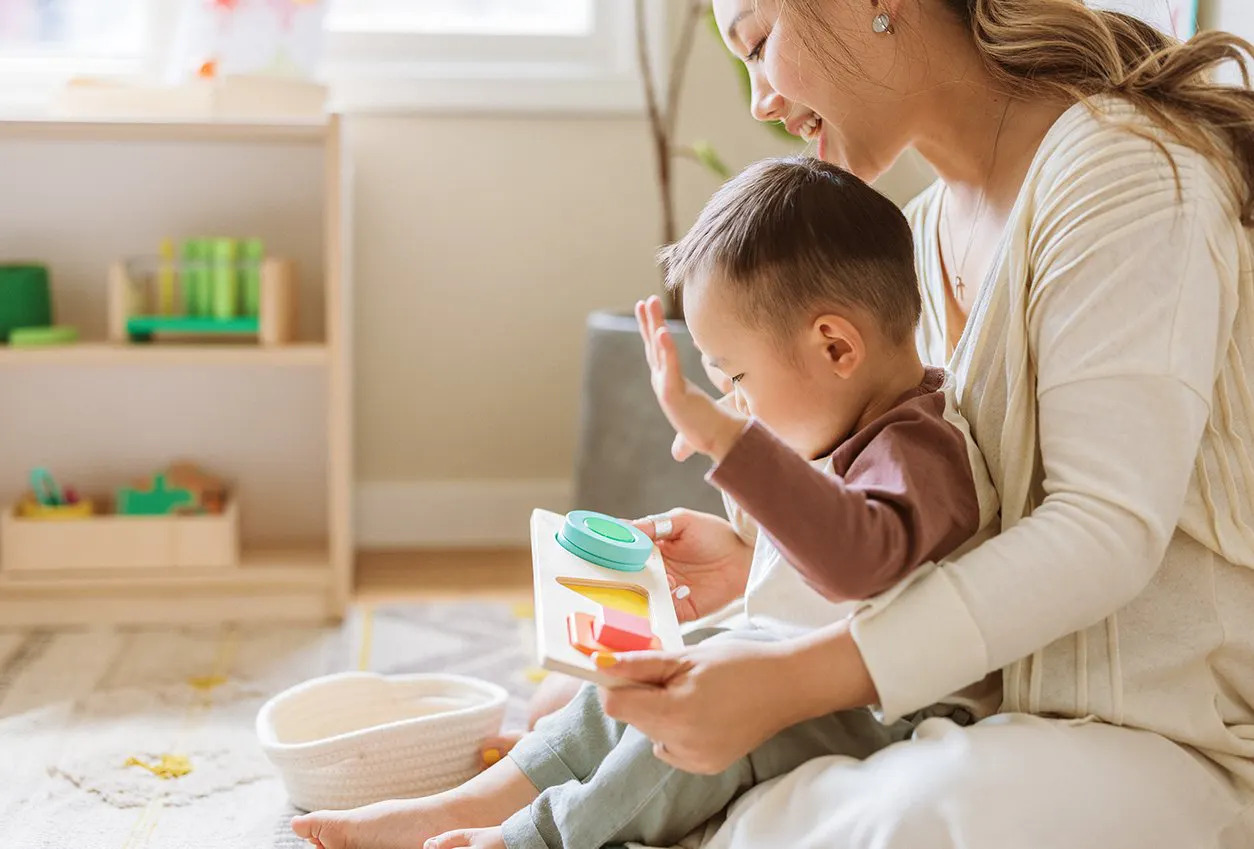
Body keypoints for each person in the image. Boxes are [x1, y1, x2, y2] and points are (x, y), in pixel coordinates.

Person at [294, 0, 1254, 845]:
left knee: (871, 805)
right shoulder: (919, 234)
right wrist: (761, 556)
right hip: (1001, 704)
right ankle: (495, 806)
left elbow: (1101, 532)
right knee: (672, 714)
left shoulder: (1122, 170)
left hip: (1177, 733)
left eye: (759, 41)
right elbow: (953, 510)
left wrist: (794, 678)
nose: (757, 98)